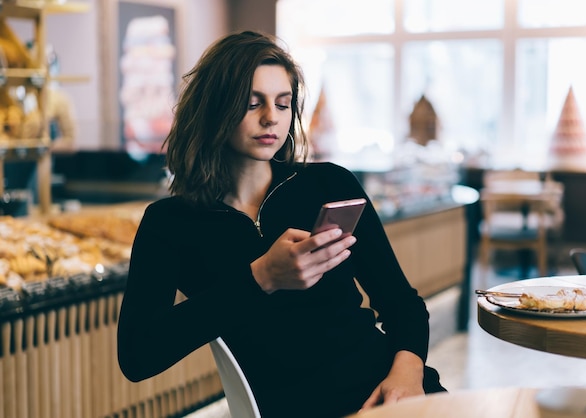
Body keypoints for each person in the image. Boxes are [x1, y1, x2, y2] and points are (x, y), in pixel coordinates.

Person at [116, 30, 445, 418]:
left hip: (393, 386)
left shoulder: (331, 183)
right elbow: (138, 357)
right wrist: (261, 278)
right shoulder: (170, 224)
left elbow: (402, 304)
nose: (272, 117)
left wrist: (408, 375)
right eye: (252, 103)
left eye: (283, 103)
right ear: (213, 107)